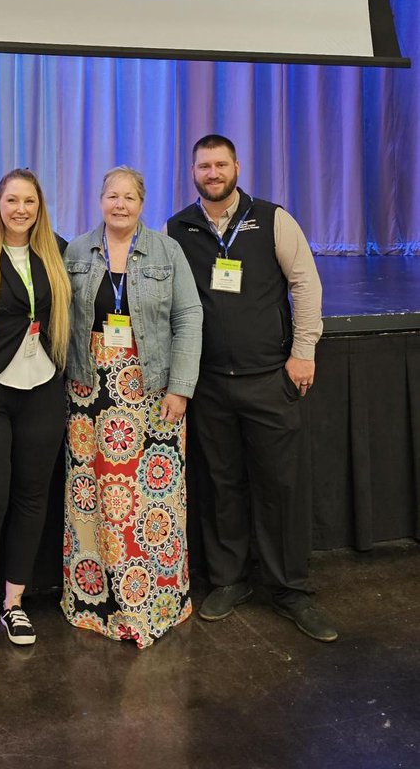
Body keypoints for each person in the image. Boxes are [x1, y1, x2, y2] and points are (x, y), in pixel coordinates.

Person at [166, 135, 338, 642]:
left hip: (270, 380)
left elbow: (305, 282)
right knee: (221, 486)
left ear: (237, 166)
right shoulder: (178, 229)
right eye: (204, 166)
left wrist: (303, 350)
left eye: (220, 164)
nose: (213, 173)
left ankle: (290, 590)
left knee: (280, 486)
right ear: (193, 171)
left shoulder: (273, 218)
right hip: (210, 386)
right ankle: (228, 581)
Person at [61, 166, 202, 647]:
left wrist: (180, 387)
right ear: (99, 199)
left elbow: (189, 315)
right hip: (89, 393)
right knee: (94, 501)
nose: (119, 204)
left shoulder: (168, 250)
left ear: (143, 203)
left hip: (151, 390)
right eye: (111, 196)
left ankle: (152, 605)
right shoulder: (77, 250)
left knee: (151, 504)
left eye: (129, 197)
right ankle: (95, 604)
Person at [0, 169, 71, 659]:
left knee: (31, 499)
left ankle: (14, 603)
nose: (20, 209)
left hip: (43, 389)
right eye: (12, 199)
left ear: (40, 205)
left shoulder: (59, 250)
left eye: (29, 200)